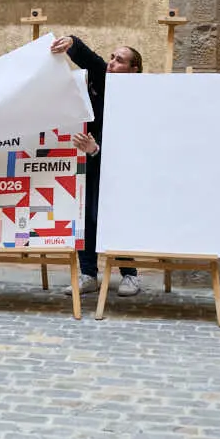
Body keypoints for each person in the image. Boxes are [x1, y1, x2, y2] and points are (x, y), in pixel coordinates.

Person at [50, 34, 143, 296]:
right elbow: (90, 61)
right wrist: (71, 42)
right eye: (112, 57)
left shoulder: (142, 97)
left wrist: (98, 149)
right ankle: (88, 274)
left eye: (120, 60)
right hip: (91, 161)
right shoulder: (102, 81)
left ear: (134, 70)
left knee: (117, 217)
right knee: (86, 216)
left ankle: (130, 274)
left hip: (123, 168)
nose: (112, 63)